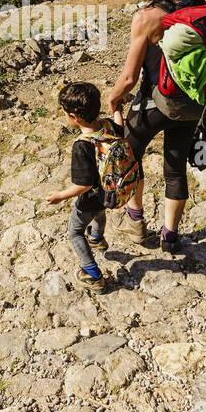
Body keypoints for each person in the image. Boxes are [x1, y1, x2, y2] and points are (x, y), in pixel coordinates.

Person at [106, 0, 206, 255]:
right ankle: (170, 236)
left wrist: (113, 101)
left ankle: (136, 220)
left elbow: (129, 78)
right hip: (192, 104)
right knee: (174, 170)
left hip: (153, 104)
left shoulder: (148, 17)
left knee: (129, 157)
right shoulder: (204, 11)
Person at [44, 82, 126, 292]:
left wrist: (60, 196)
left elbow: (83, 184)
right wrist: (117, 109)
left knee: (76, 232)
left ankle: (92, 274)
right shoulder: (107, 126)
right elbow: (120, 127)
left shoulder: (82, 145)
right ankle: (97, 238)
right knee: (99, 215)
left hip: (90, 198)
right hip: (110, 191)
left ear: (74, 117)